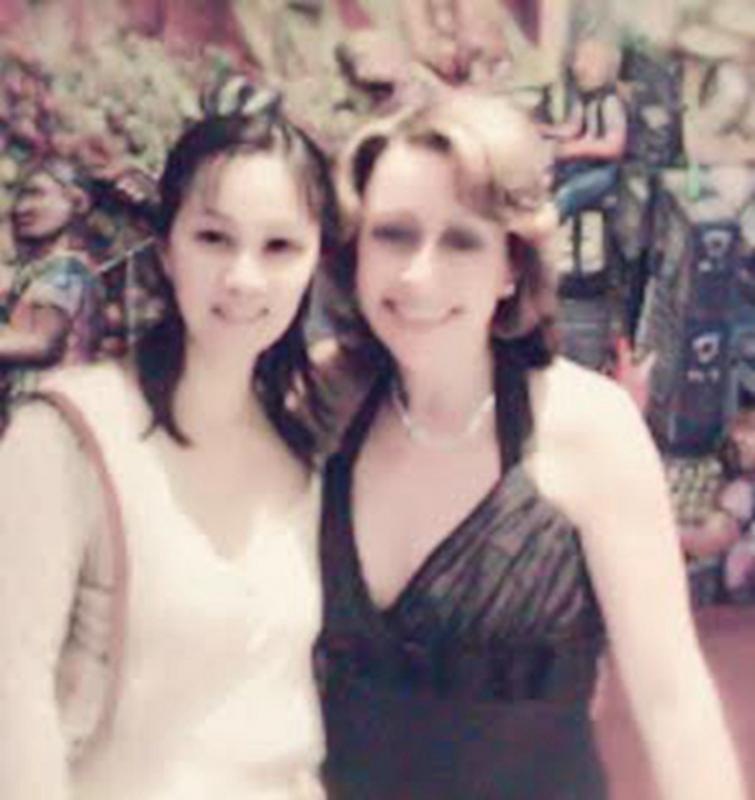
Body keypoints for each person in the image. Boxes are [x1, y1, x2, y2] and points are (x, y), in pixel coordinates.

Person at [314, 90, 745, 799]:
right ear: (354, 251)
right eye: (393, 234)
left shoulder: (588, 428)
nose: (419, 275)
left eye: (462, 240)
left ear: (510, 265)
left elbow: (672, 701)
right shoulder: (322, 405)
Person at [0, 100, 337, 799]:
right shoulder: (68, 434)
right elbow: (12, 687)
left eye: (280, 247)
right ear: (165, 249)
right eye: (214, 238)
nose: (243, 278)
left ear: (315, 263)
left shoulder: (303, 450)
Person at [0, 157, 104, 402]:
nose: (21, 208)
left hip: (47, 404)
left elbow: (41, 343)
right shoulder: (39, 270)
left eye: (36, 194)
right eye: (20, 197)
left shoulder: (66, 270)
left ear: (77, 202)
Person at [540, 36, 628, 221]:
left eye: (588, 61)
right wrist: (542, 130)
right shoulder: (586, 98)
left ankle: (546, 220)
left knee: (569, 192)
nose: (579, 67)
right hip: (585, 164)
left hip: (605, 171)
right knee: (548, 175)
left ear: (606, 70)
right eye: (577, 60)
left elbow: (614, 147)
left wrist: (576, 149)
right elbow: (572, 128)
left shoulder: (610, 102)